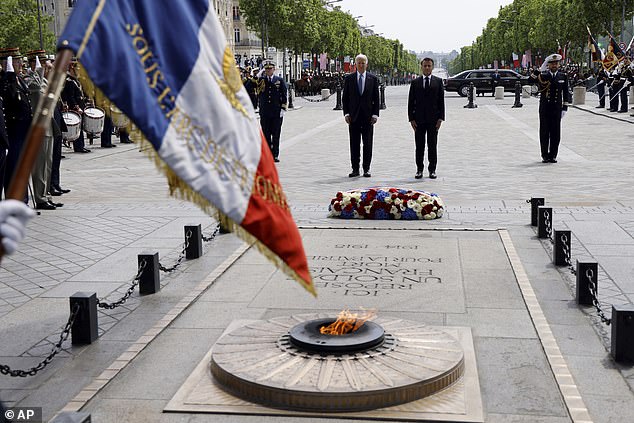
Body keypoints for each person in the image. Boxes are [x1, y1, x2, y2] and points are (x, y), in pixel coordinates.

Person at [0, 49, 33, 203]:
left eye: (20, 61)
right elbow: (11, 97)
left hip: (22, 132)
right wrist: (9, 75)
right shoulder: (6, 80)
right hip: (12, 132)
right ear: (7, 64)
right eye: (17, 61)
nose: (21, 64)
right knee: (13, 169)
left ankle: (23, 199)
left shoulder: (18, 79)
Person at [342, 54, 380, 177]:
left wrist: (375, 114)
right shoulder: (349, 79)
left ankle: (366, 168)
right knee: (354, 144)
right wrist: (346, 113)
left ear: (366, 64)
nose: (361, 65)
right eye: (359, 63)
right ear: (355, 64)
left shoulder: (373, 79)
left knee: (368, 144)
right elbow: (345, 98)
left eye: (363, 63)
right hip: (353, 117)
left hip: (368, 117)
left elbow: (376, 98)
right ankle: (355, 169)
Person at [408, 58, 445, 179]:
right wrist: (411, 119)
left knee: (432, 145)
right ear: (421, 67)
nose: (427, 68)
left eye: (429, 66)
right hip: (418, 120)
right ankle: (419, 169)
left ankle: (432, 169)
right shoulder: (415, 83)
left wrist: (440, 118)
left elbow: (441, 102)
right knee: (419, 146)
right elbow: (411, 102)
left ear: (432, 67)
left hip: (433, 120)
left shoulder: (438, 82)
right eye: (425, 66)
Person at [530, 53, 571, 163]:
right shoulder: (543, 75)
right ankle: (545, 155)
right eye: (552, 64)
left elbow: (566, 93)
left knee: (555, 133)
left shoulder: (563, 76)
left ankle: (553, 155)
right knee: (544, 133)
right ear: (548, 65)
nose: (554, 65)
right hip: (545, 108)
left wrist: (565, 108)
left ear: (559, 65)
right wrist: (539, 69)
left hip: (556, 108)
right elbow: (530, 80)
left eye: (556, 64)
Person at [256, 60, 287, 162]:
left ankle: (275, 155)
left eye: (270, 69)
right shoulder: (261, 80)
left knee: (276, 134)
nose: (268, 71)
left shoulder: (280, 80)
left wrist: (283, 108)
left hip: (276, 112)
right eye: (266, 69)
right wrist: (258, 75)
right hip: (265, 112)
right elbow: (252, 86)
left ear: (274, 69)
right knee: (266, 134)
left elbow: (284, 95)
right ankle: (268, 155)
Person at [61, 60, 91, 153]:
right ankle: (78, 147)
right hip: (75, 107)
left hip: (80, 106)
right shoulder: (69, 81)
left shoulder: (76, 80)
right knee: (78, 128)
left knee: (80, 127)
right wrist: (76, 106)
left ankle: (81, 145)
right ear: (72, 68)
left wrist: (86, 101)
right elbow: (70, 96)